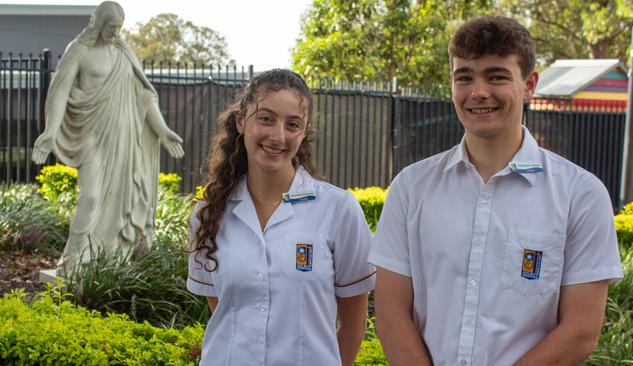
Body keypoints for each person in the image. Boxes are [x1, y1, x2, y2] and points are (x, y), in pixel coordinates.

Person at [369, 15, 623, 366]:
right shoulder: (411, 188)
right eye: (465, 77)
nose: (479, 92)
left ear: (529, 84)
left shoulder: (581, 195)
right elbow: (391, 313)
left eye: (497, 76)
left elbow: (581, 330)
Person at [186, 69, 375, 366]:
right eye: (265, 118)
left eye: (292, 124)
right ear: (241, 121)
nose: (278, 136)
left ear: (303, 131)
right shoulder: (208, 213)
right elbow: (224, 310)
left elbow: (353, 322)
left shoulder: (338, 209)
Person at [31, 1, 184, 276]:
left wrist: (161, 129)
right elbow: (60, 91)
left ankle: (108, 260)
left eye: (119, 28)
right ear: (98, 24)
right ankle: (74, 261)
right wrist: (50, 131)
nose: (115, 32)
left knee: (119, 199)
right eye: (111, 27)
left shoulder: (124, 53)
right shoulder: (79, 50)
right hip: (91, 132)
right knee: (90, 197)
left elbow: (144, 95)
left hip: (123, 134)